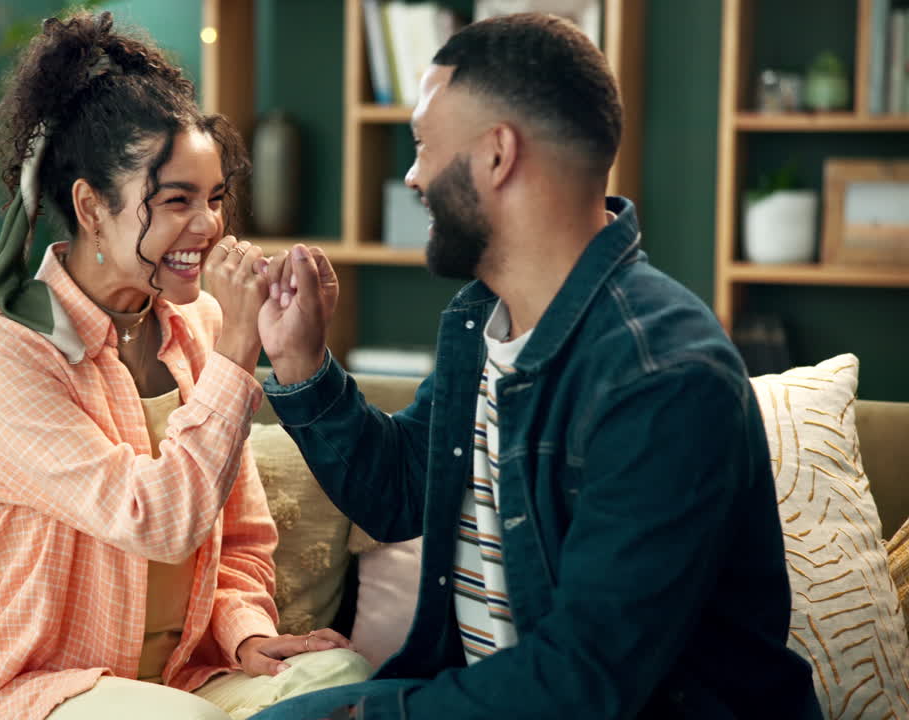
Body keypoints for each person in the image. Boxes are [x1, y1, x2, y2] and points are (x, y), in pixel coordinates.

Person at [250, 13, 822, 720]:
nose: (412, 174)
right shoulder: (483, 321)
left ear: (497, 155)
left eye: (424, 144)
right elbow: (401, 489)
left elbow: (585, 680)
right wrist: (302, 363)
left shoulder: (663, 374)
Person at [0, 12, 370, 720]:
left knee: (342, 675)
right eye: (176, 201)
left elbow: (241, 537)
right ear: (91, 206)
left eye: (215, 200)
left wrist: (248, 638)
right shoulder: (1, 353)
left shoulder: (198, 324)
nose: (208, 228)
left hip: (185, 678)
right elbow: (156, 520)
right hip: (46, 690)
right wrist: (240, 349)